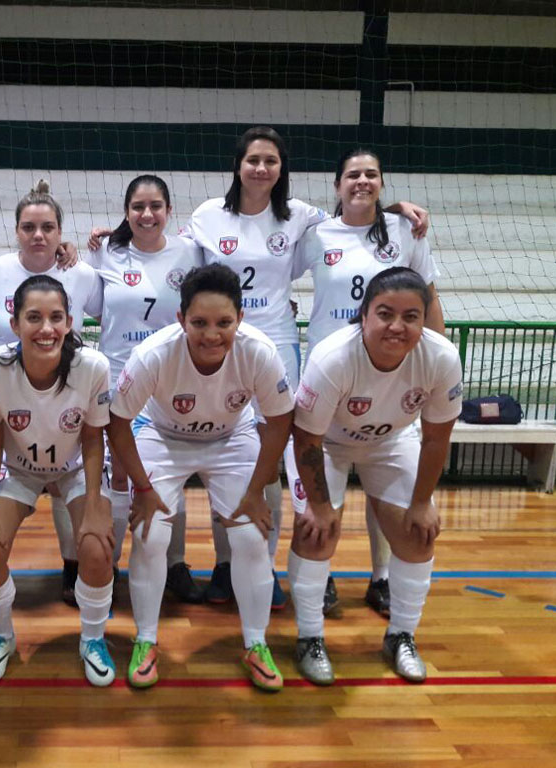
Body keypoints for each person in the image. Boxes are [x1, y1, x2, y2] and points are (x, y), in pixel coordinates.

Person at [186, 126, 429, 611]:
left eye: (271, 161)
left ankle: (270, 567)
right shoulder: (208, 215)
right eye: (253, 159)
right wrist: (116, 238)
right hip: (219, 342)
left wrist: (398, 208)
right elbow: (174, 254)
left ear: (282, 170)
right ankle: (223, 564)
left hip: (275, 347)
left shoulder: (301, 218)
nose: (261, 168)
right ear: (239, 165)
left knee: (274, 458)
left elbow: (358, 213)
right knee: (223, 450)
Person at [106, 264, 294, 690]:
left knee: (249, 537)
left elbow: (280, 422)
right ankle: (146, 640)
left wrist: (257, 492)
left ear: (240, 319)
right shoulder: (153, 354)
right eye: (200, 323)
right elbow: (118, 422)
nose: (212, 334)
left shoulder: (259, 351)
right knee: (151, 534)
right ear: (180, 320)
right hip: (161, 435)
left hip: (232, 437)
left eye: (224, 323)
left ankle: (256, 643)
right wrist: (143, 488)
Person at [292, 147, 447, 617]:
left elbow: (428, 293)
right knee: (322, 500)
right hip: (333, 374)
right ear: (337, 185)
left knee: (388, 494)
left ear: (383, 183)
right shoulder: (315, 233)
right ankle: (323, 578)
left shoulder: (405, 229)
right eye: (353, 175)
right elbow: (271, 270)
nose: (362, 181)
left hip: (392, 376)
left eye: (372, 175)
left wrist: (437, 359)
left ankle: (381, 578)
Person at [288, 267, 462, 685]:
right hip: (325, 444)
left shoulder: (441, 357)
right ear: (364, 314)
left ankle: (401, 634)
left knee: (418, 531)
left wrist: (421, 504)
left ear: (424, 319)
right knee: (317, 531)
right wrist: (320, 506)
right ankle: (309, 638)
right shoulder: (333, 357)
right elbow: (306, 438)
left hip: (391, 442)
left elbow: (437, 438)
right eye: (385, 314)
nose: (397, 326)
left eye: (411, 316)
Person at [0, 274, 114, 686]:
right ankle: (1, 636)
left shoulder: (93, 367)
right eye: (34, 317)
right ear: (15, 324)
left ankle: (92, 638)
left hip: (74, 469)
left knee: (97, 546)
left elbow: (92, 437)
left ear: (70, 322)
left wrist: (96, 509)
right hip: (19, 470)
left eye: (56, 317)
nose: (46, 328)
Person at [0, 181, 103, 606]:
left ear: (60, 232)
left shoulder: (81, 275)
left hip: (66, 399)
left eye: (47, 227)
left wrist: (98, 247)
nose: (38, 235)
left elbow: (109, 309)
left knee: (79, 508)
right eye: (29, 227)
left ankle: (75, 570)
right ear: (16, 231)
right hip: (12, 402)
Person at [85, 174, 204, 602]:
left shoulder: (191, 251)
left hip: (174, 380)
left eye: (155, 206)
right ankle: (111, 564)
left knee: (171, 470)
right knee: (119, 475)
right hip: (120, 378)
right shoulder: (106, 253)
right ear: (126, 212)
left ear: (169, 211)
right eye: (138, 206)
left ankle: (175, 566)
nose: (147, 214)